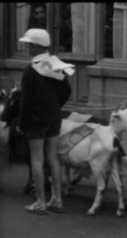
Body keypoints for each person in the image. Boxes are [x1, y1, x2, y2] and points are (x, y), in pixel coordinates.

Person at [18, 28, 72, 214]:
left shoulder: (30, 70)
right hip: (54, 116)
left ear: (35, 46)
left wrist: (22, 122)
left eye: (28, 44)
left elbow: (25, 101)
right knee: (53, 157)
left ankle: (40, 201)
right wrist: (55, 106)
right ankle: (56, 199)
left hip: (35, 119)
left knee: (37, 159)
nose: (26, 47)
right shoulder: (58, 65)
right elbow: (66, 92)